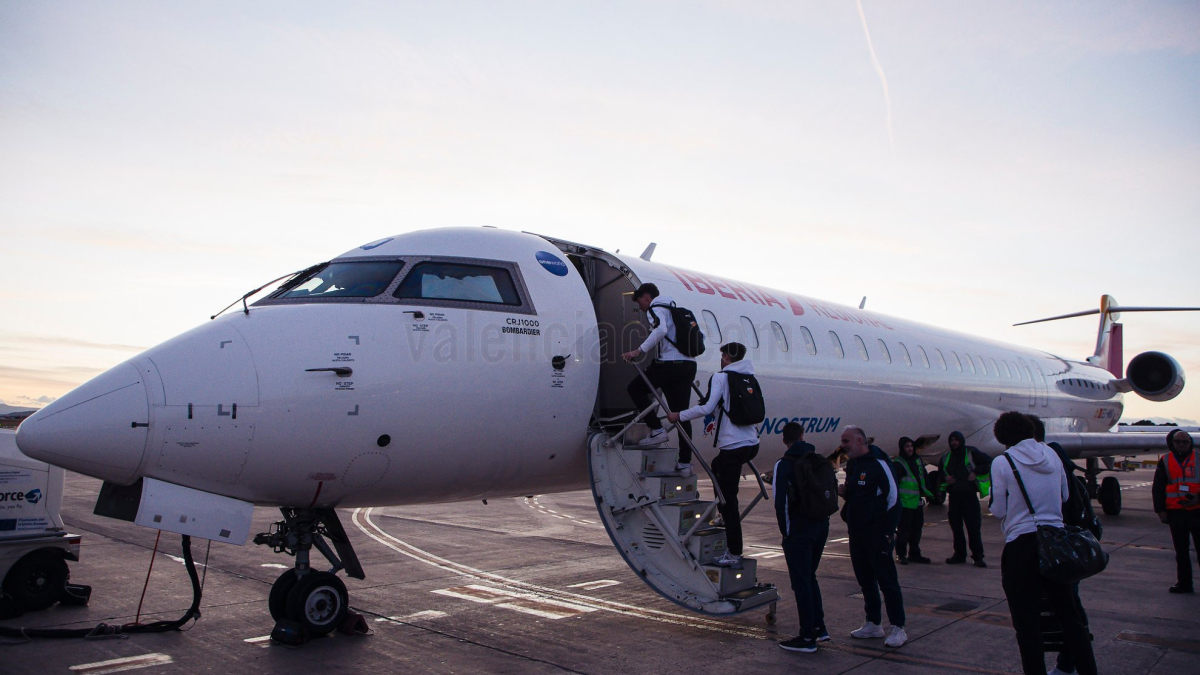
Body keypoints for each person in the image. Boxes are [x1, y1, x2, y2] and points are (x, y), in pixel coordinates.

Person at [989, 411, 1097, 675]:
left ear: (1003, 437)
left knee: (1027, 626)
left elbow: (999, 510)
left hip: (1022, 547)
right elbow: (1064, 494)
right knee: (1070, 619)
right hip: (1055, 544)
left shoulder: (1003, 462)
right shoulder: (1053, 455)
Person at [668, 342, 758, 568]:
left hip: (733, 445)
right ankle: (722, 511)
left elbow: (707, 409)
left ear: (727, 357)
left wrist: (680, 415)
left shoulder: (721, 377)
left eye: (722, 356)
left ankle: (735, 553)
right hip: (751, 442)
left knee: (729, 501)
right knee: (716, 465)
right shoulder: (749, 376)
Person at [1026, 415, 1092, 675]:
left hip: (1060, 553)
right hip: (1056, 552)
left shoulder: (1052, 469)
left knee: (1067, 609)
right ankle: (1071, 663)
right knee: (1066, 608)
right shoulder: (1055, 466)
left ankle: (1070, 665)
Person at [839, 425, 907, 648]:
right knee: (866, 580)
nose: (843, 445)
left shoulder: (880, 464)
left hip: (877, 534)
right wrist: (844, 492)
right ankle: (873, 623)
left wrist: (888, 532)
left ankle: (898, 627)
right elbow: (857, 494)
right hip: (857, 533)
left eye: (846, 440)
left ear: (860, 441)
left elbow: (894, 499)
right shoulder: (853, 465)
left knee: (887, 581)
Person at [621, 283, 698, 475]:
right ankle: (685, 463)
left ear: (647, 297)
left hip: (669, 365)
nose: (641, 308)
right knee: (681, 415)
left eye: (640, 303)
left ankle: (656, 429)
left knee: (635, 389)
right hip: (688, 365)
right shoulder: (678, 311)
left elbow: (661, 330)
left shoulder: (656, 309)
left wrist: (638, 350)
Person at [773, 422, 831, 652]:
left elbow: (782, 504)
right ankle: (819, 627)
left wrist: (786, 534)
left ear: (784, 440)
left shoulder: (784, 464)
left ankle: (807, 637)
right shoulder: (817, 459)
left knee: (801, 584)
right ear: (803, 436)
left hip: (799, 531)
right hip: (820, 526)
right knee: (810, 577)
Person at [1152, 428, 1200, 594]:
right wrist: (1161, 510)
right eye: (1177, 442)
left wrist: (1198, 498)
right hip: (1176, 513)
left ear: (1190, 443)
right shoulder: (1165, 461)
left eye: (1184, 442)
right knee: (1181, 552)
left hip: (1197, 512)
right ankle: (1185, 584)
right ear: (1171, 443)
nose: (1181, 445)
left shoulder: (1198, 459)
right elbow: (1158, 487)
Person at [941, 430, 992, 567]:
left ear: (961, 441)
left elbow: (988, 462)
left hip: (969, 497)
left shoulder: (971, 452)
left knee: (973, 528)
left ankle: (978, 556)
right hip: (954, 497)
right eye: (951, 440)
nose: (954, 443)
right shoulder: (946, 457)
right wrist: (945, 478)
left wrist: (976, 472)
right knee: (956, 528)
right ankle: (959, 554)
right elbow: (941, 472)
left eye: (956, 440)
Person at [893, 436, 933, 565]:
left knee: (916, 530)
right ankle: (901, 554)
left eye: (911, 446)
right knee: (904, 531)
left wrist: (928, 492)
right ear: (902, 448)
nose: (910, 449)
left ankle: (915, 553)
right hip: (905, 503)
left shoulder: (917, 460)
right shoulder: (899, 463)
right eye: (907, 446)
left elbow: (923, 477)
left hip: (917, 502)